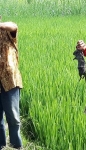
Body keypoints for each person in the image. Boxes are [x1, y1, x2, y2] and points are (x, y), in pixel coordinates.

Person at [0, 17, 23, 149]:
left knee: (13, 118)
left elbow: (14, 25)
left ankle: (16, 146)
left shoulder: (7, 31)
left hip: (10, 80)